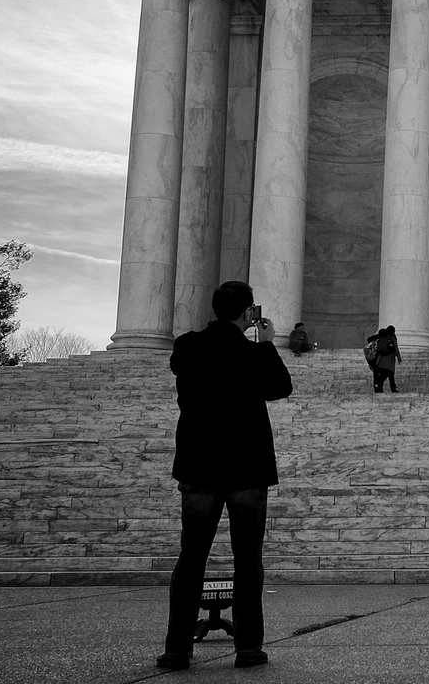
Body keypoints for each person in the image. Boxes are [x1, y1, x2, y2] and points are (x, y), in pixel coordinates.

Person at [156, 281, 292, 672]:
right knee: (248, 561)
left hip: (200, 464)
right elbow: (281, 387)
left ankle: (177, 649)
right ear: (249, 313)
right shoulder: (252, 353)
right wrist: (265, 343)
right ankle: (248, 648)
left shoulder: (187, 346)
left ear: (214, 309)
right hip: (246, 467)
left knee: (191, 558)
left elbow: (181, 368)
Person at [367, 324, 402, 393]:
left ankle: (380, 388)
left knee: (384, 374)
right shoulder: (392, 337)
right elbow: (395, 348)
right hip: (389, 360)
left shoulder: (382, 337)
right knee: (390, 374)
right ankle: (391, 388)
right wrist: (398, 357)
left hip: (381, 360)